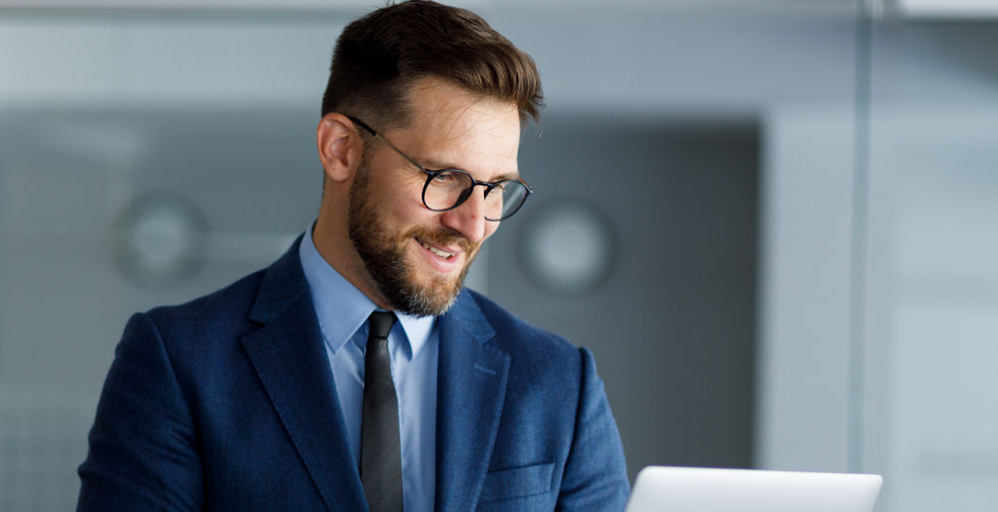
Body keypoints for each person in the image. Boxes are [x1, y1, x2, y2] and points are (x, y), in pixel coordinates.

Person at [76, 1, 629, 510]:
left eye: (496, 188)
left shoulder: (559, 384)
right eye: (444, 178)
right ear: (341, 150)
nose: (473, 223)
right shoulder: (180, 364)